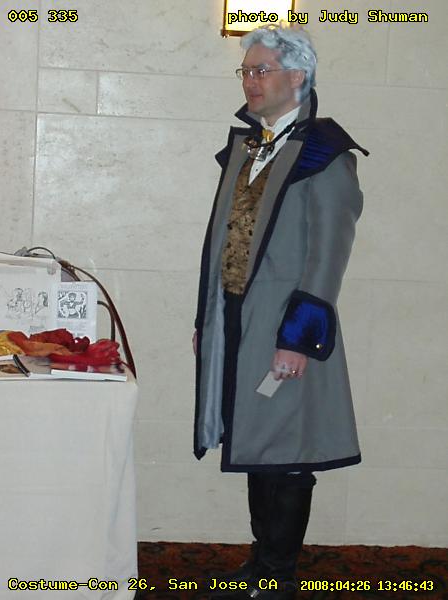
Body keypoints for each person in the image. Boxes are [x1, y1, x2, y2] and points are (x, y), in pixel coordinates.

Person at [193, 24, 368, 600]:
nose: (250, 81)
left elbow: (328, 256)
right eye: (246, 71)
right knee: (255, 442)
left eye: (261, 70)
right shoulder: (248, 148)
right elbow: (222, 243)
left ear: (297, 76)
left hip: (288, 326)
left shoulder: (326, 155)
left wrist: (298, 337)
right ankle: (260, 564)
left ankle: (278, 574)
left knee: (287, 452)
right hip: (239, 322)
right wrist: (208, 322)